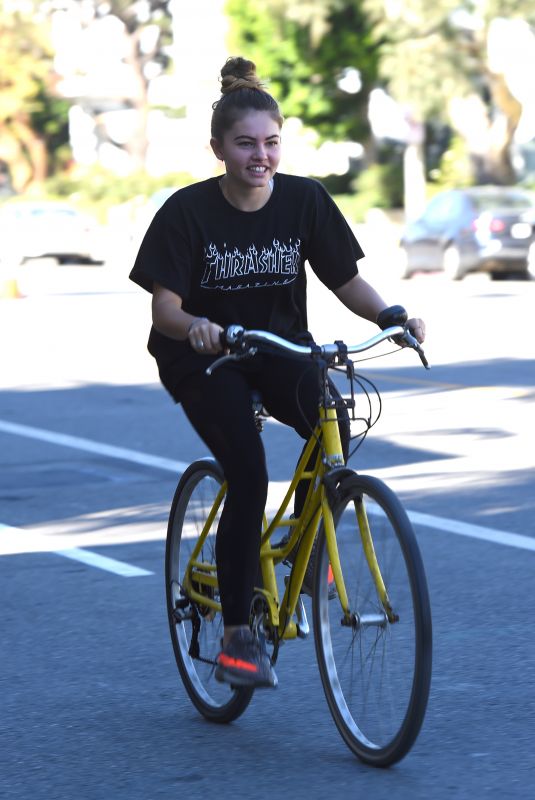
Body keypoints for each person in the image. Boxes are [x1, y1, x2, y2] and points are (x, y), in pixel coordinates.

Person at [130, 56, 425, 690]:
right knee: (249, 470)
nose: (260, 156)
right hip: (203, 356)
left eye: (270, 143)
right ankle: (239, 632)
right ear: (218, 149)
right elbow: (165, 307)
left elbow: (345, 280)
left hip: (280, 346)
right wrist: (196, 328)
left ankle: (308, 548)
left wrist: (392, 314)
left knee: (335, 421)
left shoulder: (304, 200)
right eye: (245, 144)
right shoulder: (186, 213)